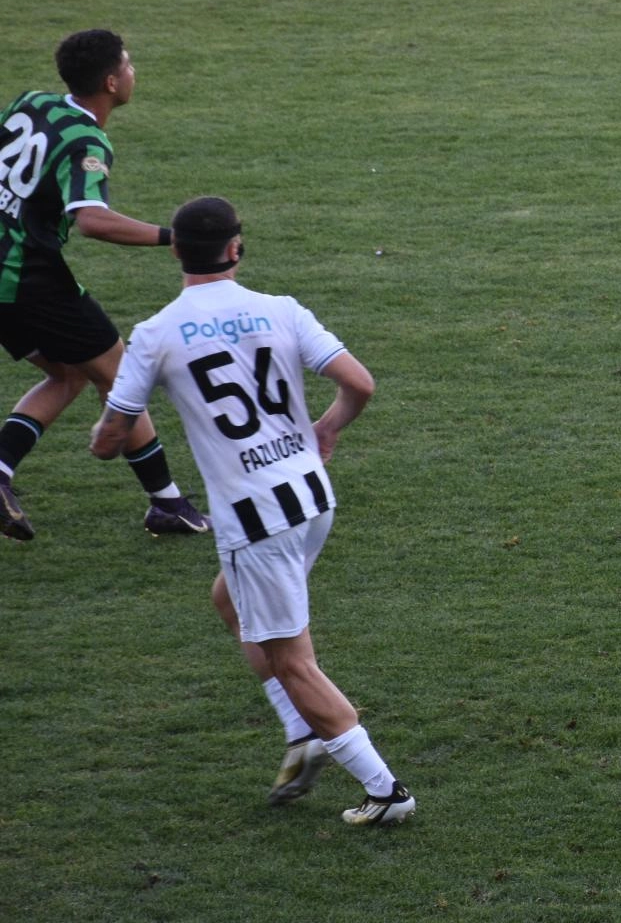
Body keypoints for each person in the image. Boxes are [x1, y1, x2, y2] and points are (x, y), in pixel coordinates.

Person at [90, 197, 415, 826]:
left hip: (256, 518)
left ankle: (385, 792)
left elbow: (111, 438)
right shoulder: (281, 309)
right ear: (236, 248)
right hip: (311, 496)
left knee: (293, 661)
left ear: (176, 250)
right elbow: (360, 383)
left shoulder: (156, 334)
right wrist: (327, 428)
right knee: (229, 601)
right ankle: (302, 731)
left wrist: (100, 437)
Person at [0, 28, 207, 542]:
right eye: (128, 65)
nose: (134, 72)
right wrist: (175, 237)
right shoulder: (87, 141)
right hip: (25, 275)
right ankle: (166, 504)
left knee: (68, 373)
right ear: (111, 82)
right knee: (119, 373)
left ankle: (2, 470)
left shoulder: (32, 102)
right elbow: (92, 220)